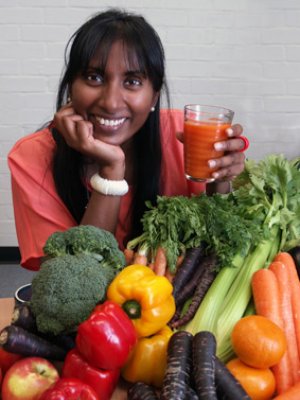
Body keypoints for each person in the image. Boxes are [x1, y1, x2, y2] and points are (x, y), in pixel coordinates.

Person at [8, 8, 247, 270]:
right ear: (70, 86)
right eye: (94, 77)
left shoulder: (183, 134)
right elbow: (72, 282)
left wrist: (221, 184)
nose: (111, 102)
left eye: (132, 81)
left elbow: (218, 250)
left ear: (154, 96)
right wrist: (111, 170)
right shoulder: (32, 157)